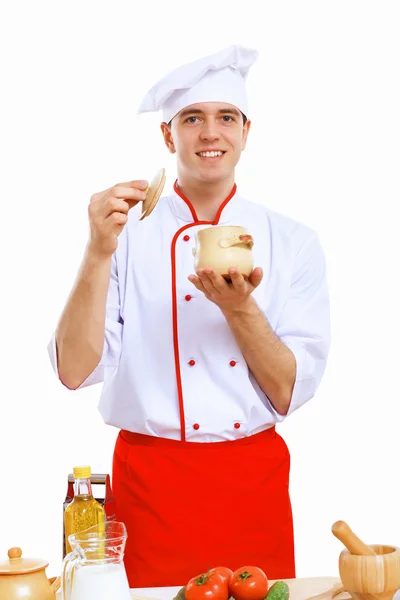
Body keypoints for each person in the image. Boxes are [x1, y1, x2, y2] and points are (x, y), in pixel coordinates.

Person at [48, 45, 330, 588]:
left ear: (247, 132)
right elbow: (74, 371)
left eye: (226, 117)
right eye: (192, 118)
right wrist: (96, 252)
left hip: (251, 485)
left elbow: (289, 389)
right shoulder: (123, 234)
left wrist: (240, 309)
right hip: (150, 489)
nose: (209, 133)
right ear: (167, 136)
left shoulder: (293, 242)